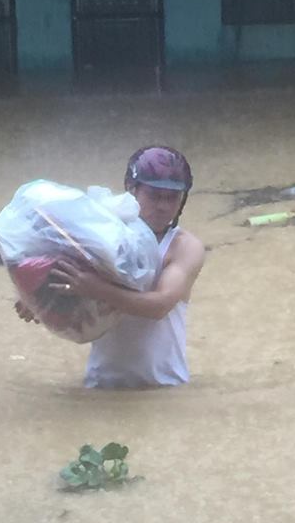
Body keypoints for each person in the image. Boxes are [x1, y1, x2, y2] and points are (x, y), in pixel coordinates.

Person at [18, 146, 205, 388]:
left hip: (165, 386)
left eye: (172, 198)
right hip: (100, 385)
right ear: (131, 189)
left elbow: (159, 306)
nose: (163, 206)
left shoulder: (184, 248)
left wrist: (95, 289)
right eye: (155, 195)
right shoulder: (100, 237)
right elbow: (63, 279)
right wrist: (37, 300)